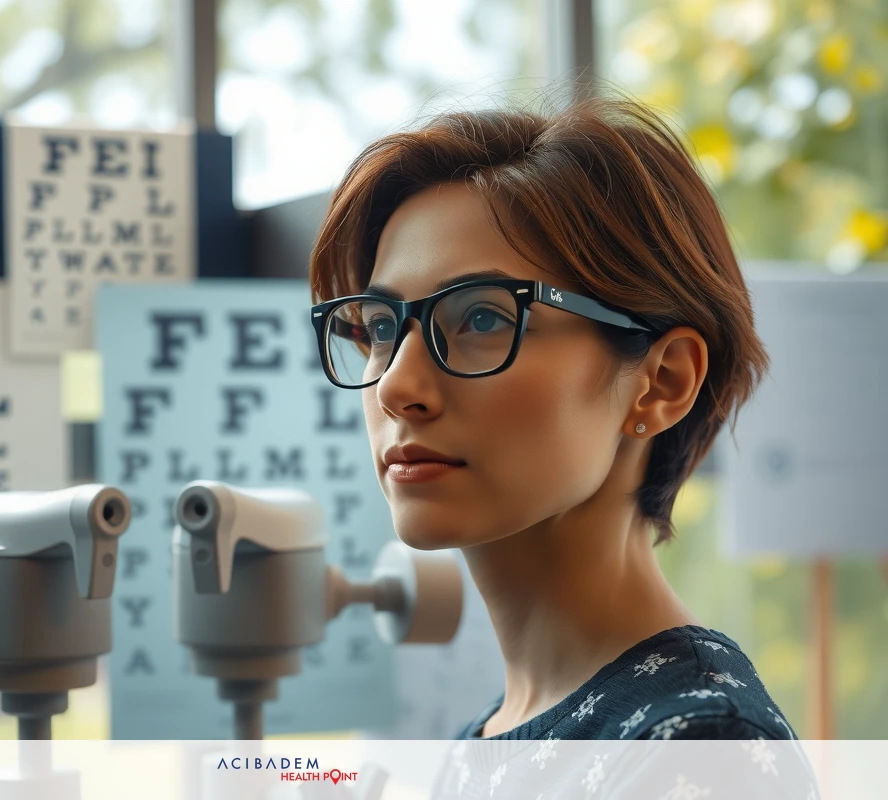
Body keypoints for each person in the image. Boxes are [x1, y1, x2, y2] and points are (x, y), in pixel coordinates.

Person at [307, 94, 801, 749]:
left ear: (662, 381)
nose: (396, 385)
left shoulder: (698, 741)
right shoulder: (488, 738)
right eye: (378, 327)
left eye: (483, 318)